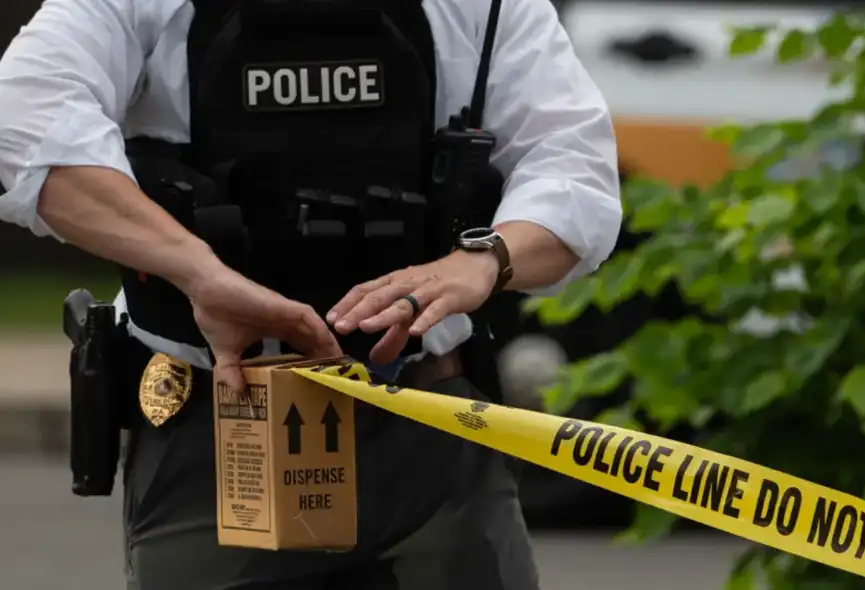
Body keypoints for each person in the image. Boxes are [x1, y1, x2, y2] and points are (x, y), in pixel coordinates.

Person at [0, 0, 622, 588]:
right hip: (221, 425)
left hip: (432, 427)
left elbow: (574, 167)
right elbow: (21, 118)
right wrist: (196, 270)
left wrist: (485, 259)